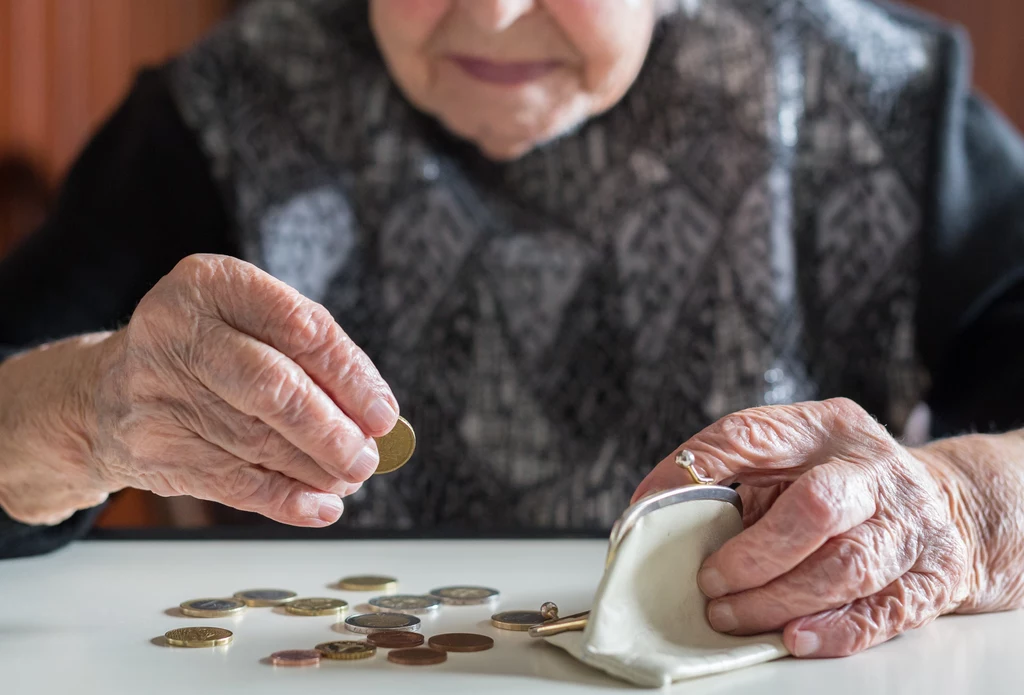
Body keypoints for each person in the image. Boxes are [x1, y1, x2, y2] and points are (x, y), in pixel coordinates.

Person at [1, 0, 1022, 661]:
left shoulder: (886, 100)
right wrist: (85, 408)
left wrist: (967, 506)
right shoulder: (216, 109)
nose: (489, 10)